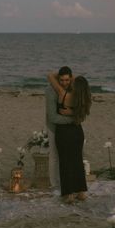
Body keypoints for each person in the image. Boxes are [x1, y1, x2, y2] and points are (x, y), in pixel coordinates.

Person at [48, 71, 92, 204]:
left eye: (71, 80)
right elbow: (81, 116)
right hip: (77, 132)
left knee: (65, 162)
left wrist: (68, 74)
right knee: (77, 161)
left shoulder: (64, 94)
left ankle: (69, 194)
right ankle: (81, 192)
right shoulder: (84, 100)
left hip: (64, 132)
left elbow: (50, 75)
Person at [45, 66, 74, 194]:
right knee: (54, 156)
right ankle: (54, 185)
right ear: (58, 79)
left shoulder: (73, 89)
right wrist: (72, 119)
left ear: (70, 79)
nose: (64, 83)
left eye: (67, 80)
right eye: (61, 80)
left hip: (69, 129)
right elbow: (52, 117)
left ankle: (67, 182)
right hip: (54, 127)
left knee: (69, 156)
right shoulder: (51, 91)